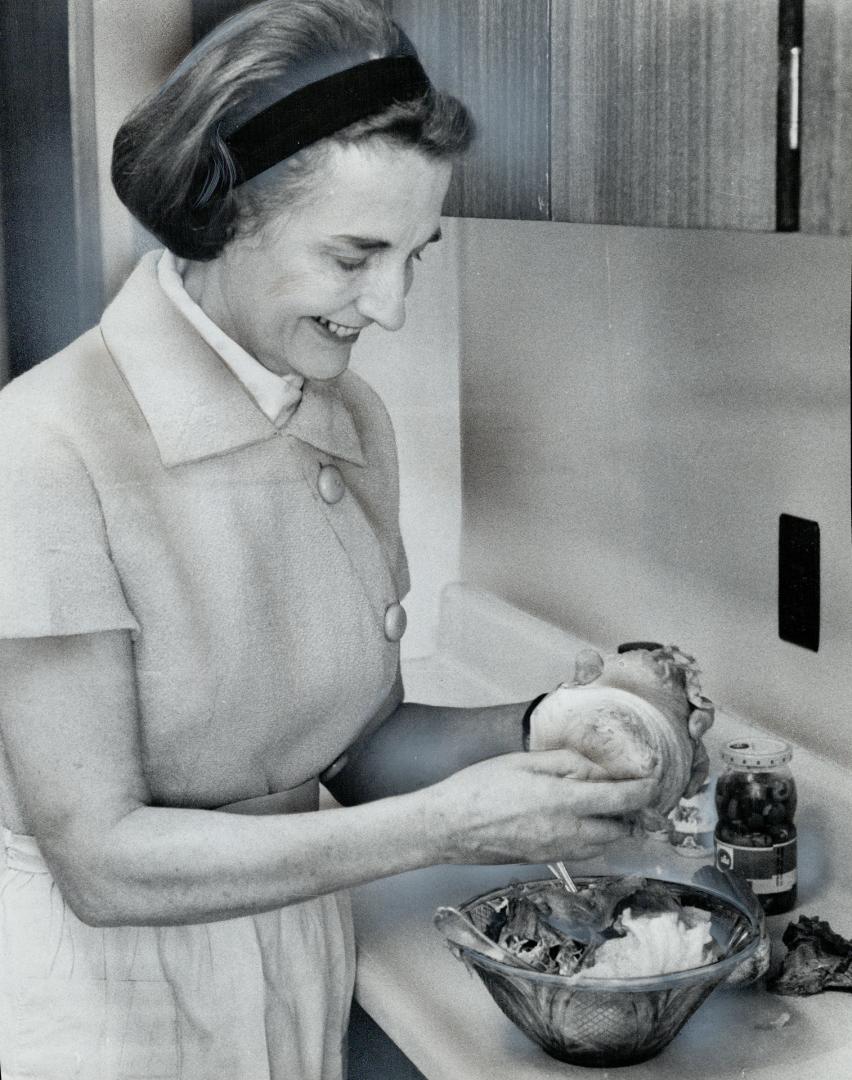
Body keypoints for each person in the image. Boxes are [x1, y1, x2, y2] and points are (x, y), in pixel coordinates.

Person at [0, 2, 658, 1077]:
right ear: (223, 216)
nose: (389, 306)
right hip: (101, 1005)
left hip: (295, 953)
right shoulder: (43, 446)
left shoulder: (350, 421)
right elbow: (104, 862)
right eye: (354, 256)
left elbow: (349, 746)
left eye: (414, 255)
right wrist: (452, 826)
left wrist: (543, 725)